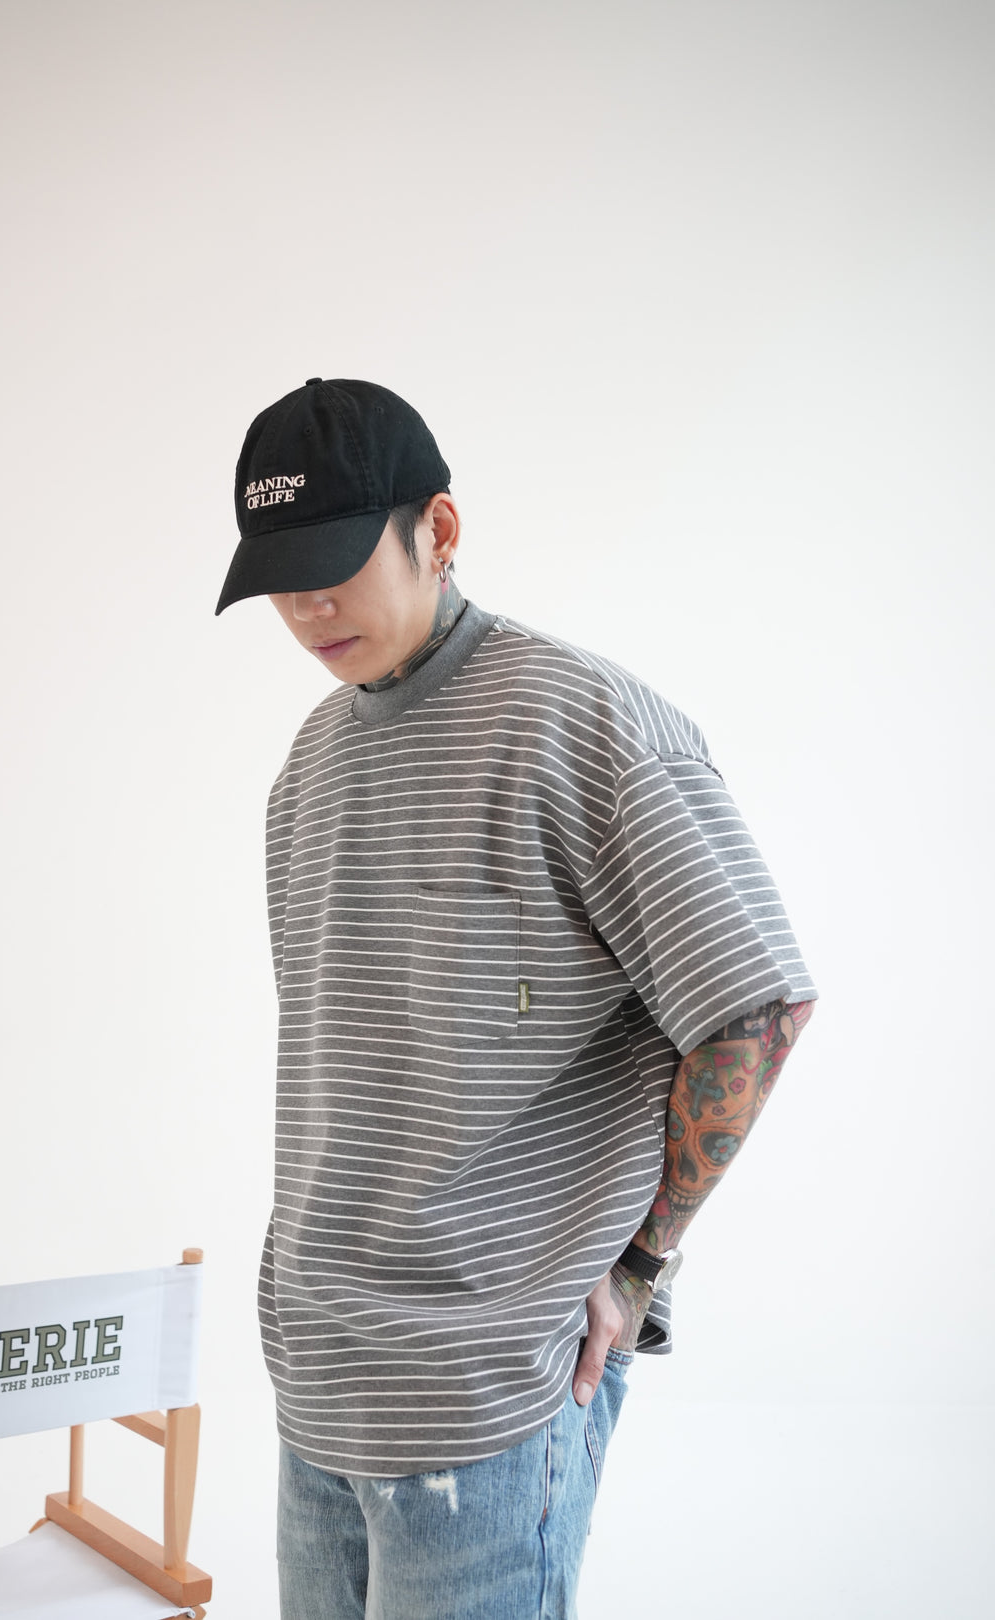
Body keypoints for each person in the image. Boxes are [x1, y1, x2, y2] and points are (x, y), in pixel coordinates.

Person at [215, 377, 818, 1620]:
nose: (307, 607)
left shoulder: (581, 723)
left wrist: (640, 1265)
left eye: (333, 564)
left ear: (438, 530)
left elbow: (753, 1007)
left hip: (490, 1397)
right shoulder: (311, 761)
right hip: (318, 1381)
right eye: (279, 578)